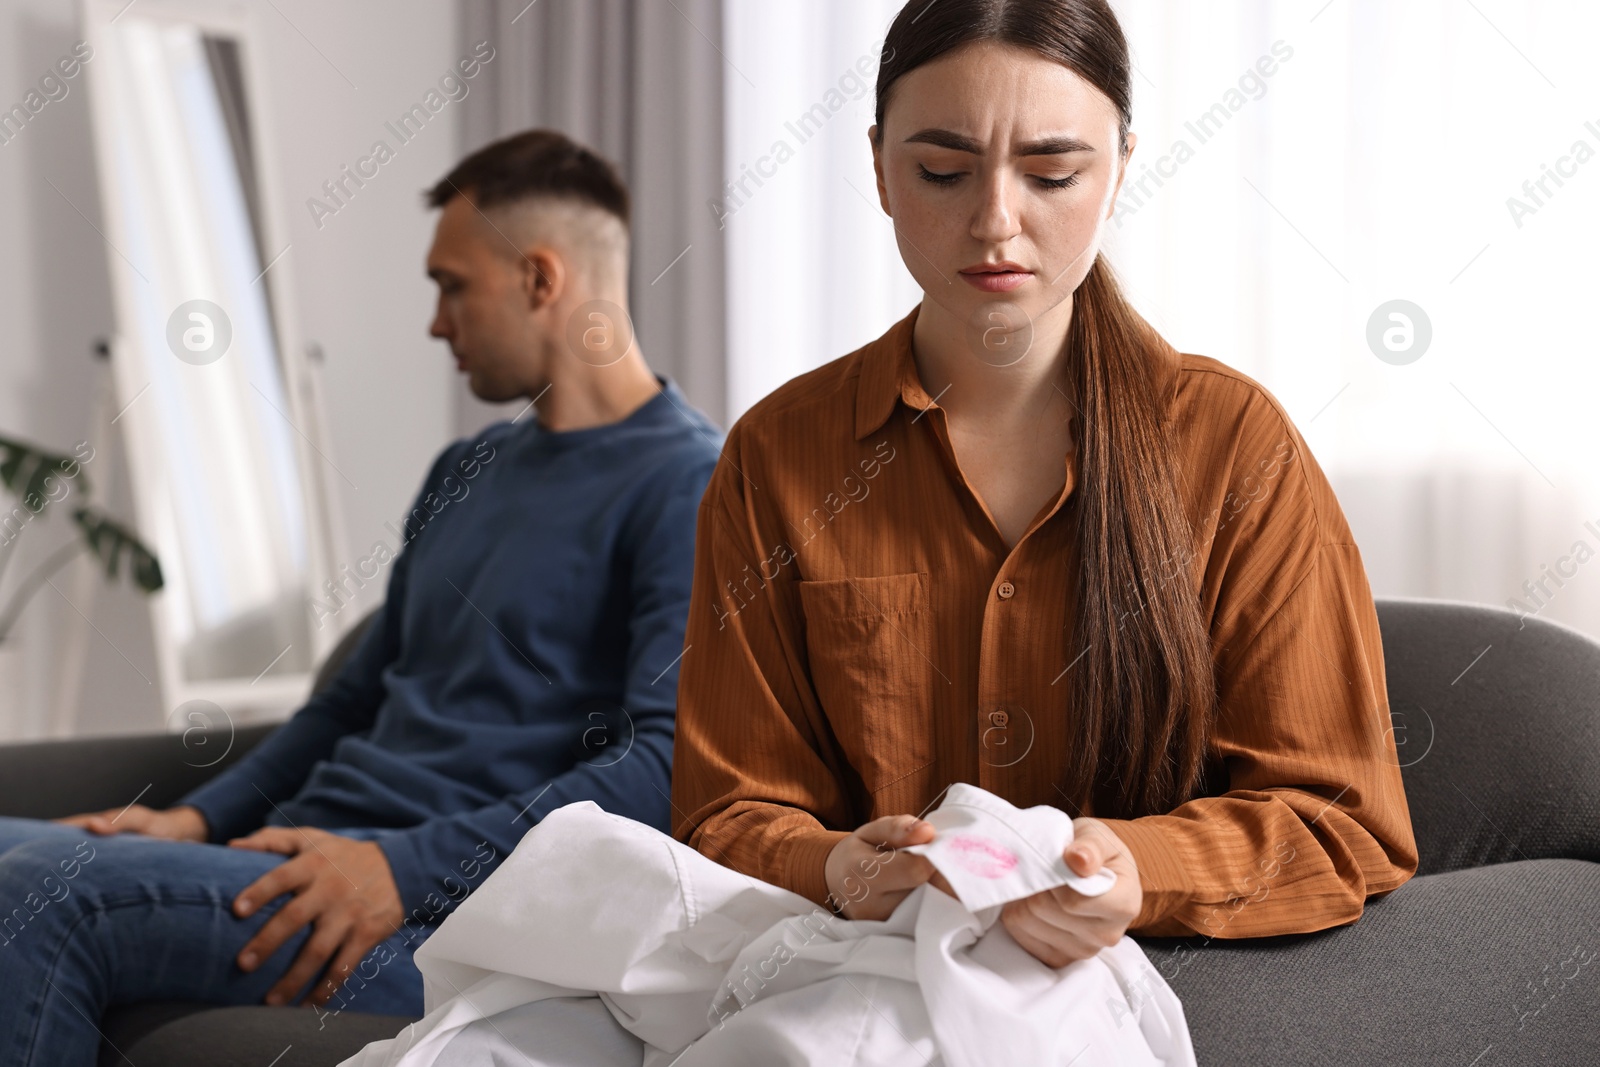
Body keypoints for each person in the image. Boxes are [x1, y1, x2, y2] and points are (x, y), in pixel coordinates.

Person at [671, 0, 1417, 971]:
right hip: (865, 988)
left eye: (1052, 173)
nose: (994, 221)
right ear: (877, 167)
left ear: (1120, 169)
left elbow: (1341, 821)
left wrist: (1139, 867)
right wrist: (838, 866)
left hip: (1168, 989)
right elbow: (724, 814)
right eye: (941, 171)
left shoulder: (1234, 446)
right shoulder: (779, 455)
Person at [0, 129, 722, 1065]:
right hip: (299, 860)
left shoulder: (688, 485)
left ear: (541, 280)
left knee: (38, 893)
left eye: (451, 285)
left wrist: (398, 868)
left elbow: (660, 768)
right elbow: (348, 703)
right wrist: (197, 817)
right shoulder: (470, 468)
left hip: (433, 921)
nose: (435, 321)